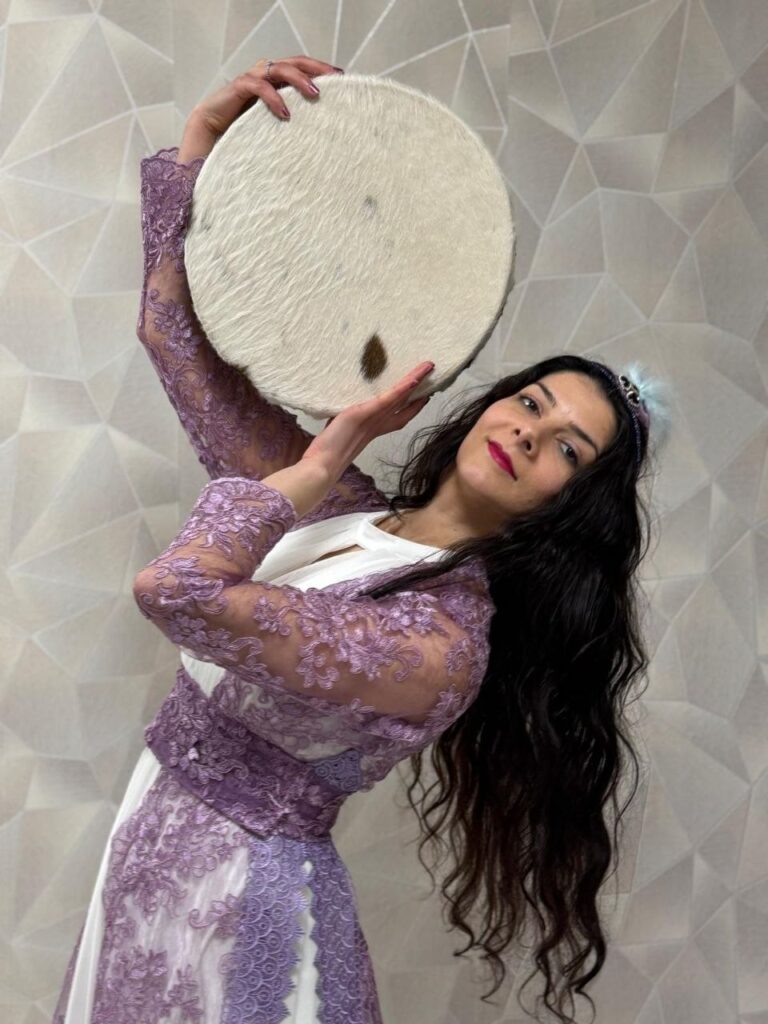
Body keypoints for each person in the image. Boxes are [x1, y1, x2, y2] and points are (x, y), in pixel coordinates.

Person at [52, 54, 671, 1024]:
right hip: (148, 865)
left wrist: (307, 468)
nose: (527, 433)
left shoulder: (441, 645)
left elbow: (179, 592)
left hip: (240, 923)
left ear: (575, 506)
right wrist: (202, 148)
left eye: (566, 448)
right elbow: (172, 336)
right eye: (530, 403)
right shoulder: (347, 505)